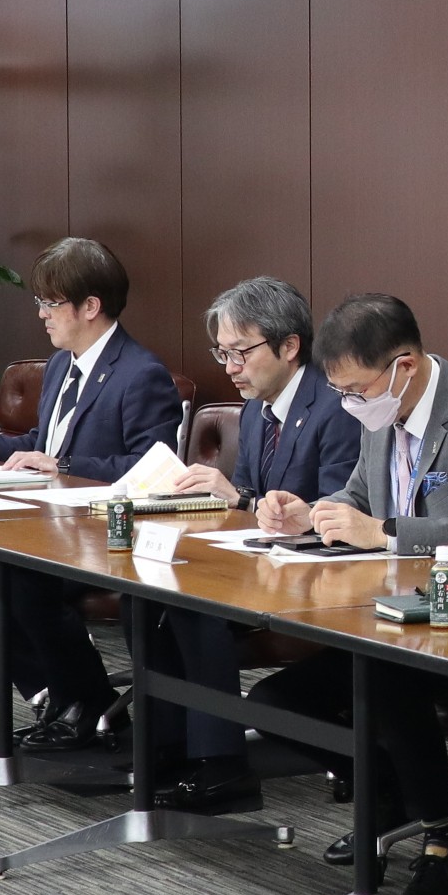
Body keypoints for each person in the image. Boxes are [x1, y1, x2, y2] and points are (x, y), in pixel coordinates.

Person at [246, 293, 448, 895]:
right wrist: (312, 514)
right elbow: (359, 497)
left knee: (386, 676)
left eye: (357, 391)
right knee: (274, 701)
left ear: (404, 367)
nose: (351, 405)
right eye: (341, 393)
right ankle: (388, 799)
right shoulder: (380, 417)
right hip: (399, 618)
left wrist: (385, 533)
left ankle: (442, 842)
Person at [0, 237, 180, 749]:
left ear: (90, 306)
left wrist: (65, 466)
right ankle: (64, 696)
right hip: (51, 530)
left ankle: (84, 704)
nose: (41, 314)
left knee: (23, 583)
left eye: (51, 303)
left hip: (105, 534)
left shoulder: (141, 374)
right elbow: (40, 445)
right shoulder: (60, 364)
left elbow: (152, 469)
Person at [138, 277, 359, 813]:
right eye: (222, 353)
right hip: (264, 561)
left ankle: (222, 766)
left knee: (197, 609)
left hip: (323, 576)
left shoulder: (337, 407)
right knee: (145, 598)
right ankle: (168, 749)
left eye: (240, 352)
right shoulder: (258, 407)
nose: (230, 367)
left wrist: (242, 498)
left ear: (289, 346)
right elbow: (254, 503)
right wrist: (227, 498)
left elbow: (346, 511)